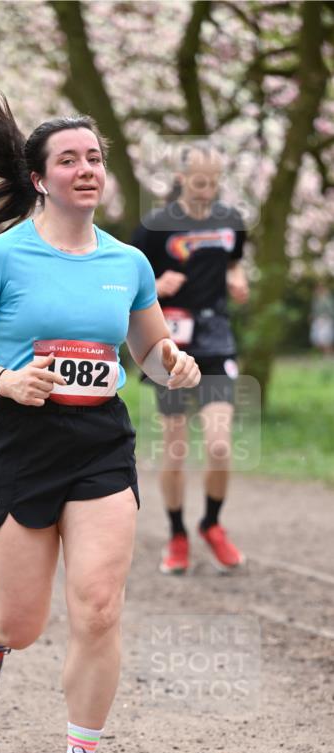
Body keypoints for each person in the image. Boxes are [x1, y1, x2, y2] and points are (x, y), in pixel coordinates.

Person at [0, 87, 200, 753]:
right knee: (24, 621)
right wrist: (2, 380)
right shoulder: (1, 256)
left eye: (94, 158)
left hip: (98, 440)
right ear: (40, 178)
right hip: (21, 436)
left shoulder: (126, 263)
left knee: (98, 604)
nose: (86, 169)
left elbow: (146, 352)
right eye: (69, 160)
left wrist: (172, 362)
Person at [131, 143, 249, 575]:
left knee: (218, 444)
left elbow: (234, 262)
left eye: (214, 182)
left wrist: (237, 280)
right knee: (176, 448)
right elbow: (130, 277)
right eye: (200, 182)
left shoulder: (230, 221)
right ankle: (177, 535)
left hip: (216, 338)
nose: (207, 191)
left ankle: (211, 525)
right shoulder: (156, 227)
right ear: (181, 179)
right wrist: (158, 284)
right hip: (170, 345)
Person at [309, 282, 334, 356]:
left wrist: (327, 317)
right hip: (318, 320)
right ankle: (326, 353)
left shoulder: (327, 299)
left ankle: (328, 354)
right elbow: (315, 310)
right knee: (317, 339)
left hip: (326, 320)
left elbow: (331, 310)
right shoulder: (316, 299)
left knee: (326, 338)